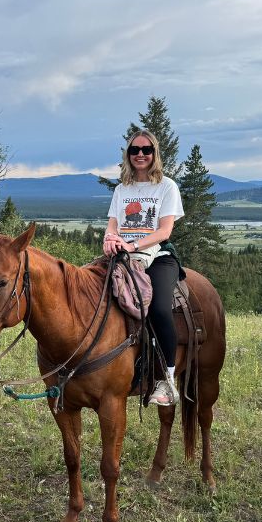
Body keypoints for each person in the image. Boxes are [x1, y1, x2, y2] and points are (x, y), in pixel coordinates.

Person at [103, 130, 185, 406]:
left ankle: (168, 379)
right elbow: (113, 223)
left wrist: (132, 245)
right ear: (128, 155)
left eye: (146, 149)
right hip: (123, 255)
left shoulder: (167, 186)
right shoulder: (122, 189)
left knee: (160, 308)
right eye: (134, 150)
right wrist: (110, 240)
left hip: (158, 256)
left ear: (154, 153)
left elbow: (165, 230)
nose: (140, 154)